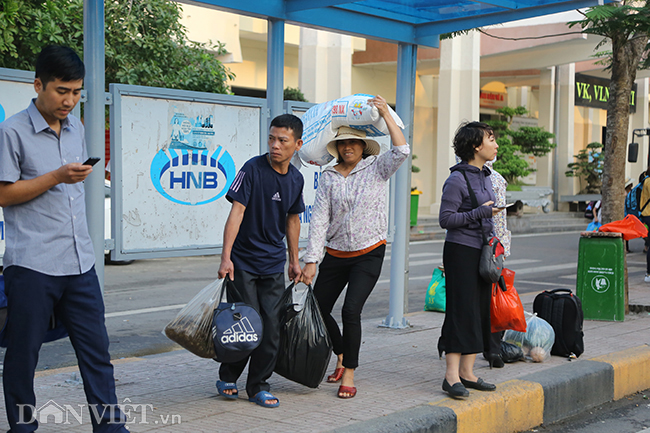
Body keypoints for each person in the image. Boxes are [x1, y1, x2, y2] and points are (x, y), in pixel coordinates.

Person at [0, 46, 128, 432]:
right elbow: (4, 194)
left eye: (76, 92)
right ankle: (23, 428)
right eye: (61, 91)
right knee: (24, 358)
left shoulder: (78, 127)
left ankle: (110, 427)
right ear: (38, 84)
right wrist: (56, 176)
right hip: (32, 264)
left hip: (80, 262)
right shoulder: (12, 132)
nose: (69, 100)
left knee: (97, 354)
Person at [301, 95, 409, 399]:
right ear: (336, 148)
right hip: (336, 253)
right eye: (343, 143)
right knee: (319, 309)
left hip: (368, 251)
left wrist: (386, 113)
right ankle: (341, 354)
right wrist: (312, 260)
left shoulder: (377, 168)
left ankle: (349, 372)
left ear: (363, 147)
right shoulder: (329, 177)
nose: (348, 147)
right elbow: (319, 220)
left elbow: (401, 149)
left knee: (351, 310)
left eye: (354, 143)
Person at [216, 113, 305, 408]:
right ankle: (228, 375)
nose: (275, 145)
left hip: (272, 263)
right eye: (271, 138)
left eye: (282, 140)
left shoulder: (296, 178)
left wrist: (294, 260)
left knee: (272, 325)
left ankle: (258, 386)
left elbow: (293, 220)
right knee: (245, 322)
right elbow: (237, 212)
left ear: (297, 144)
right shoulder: (252, 169)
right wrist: (226, 257)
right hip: (243, 261)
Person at [438, 121, 500, 399]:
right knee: (461, 310)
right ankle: (451, 377)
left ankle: (468, 372)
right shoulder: (457, 179)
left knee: (478, 309)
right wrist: (480, 214)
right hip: (460, 251)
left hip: (482, 250)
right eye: (490, 139)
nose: (495, 144)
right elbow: (446, 220)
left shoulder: (485, 175)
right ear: (476, 146)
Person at [482, 158, 511, 369]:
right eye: (491, 139)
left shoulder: (495, 177)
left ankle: (492, 348)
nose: (496, 146)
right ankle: (491, 349)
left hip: (494, 247)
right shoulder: (470, 177)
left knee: (491, 299)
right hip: (489, 247)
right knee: (489, 300)